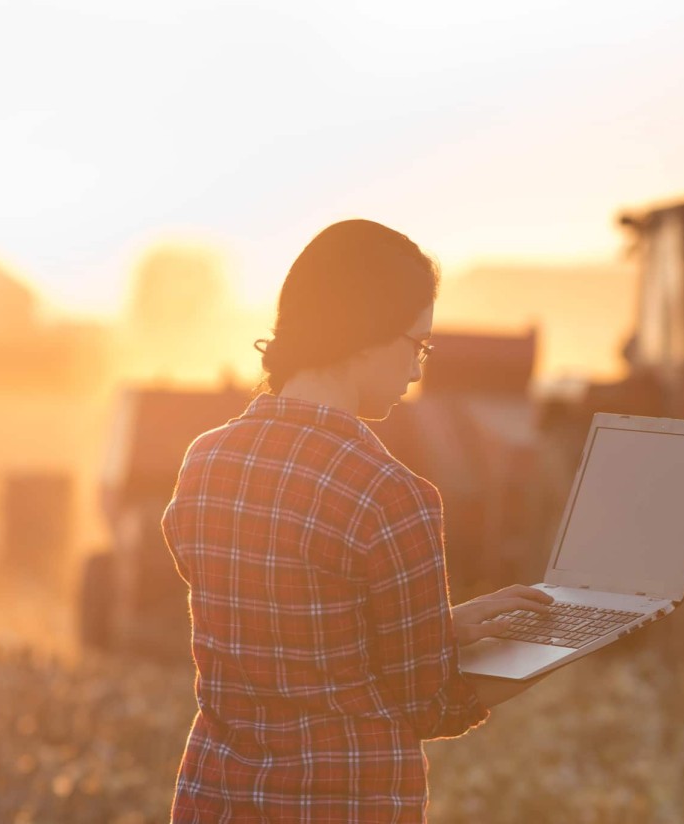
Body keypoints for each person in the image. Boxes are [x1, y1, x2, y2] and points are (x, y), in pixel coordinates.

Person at [162, 219, 555, 823]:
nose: (419, 371)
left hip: (217, 802)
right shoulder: (392, 496)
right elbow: (433, 708)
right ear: (367, 334)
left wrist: (436, 627)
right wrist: (547, 651)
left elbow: (286, 637)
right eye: (417, 345)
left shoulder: (205, 461)